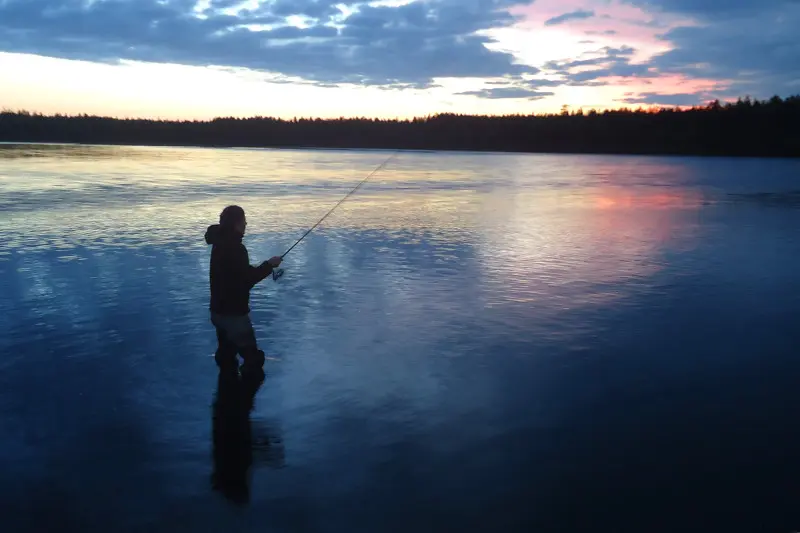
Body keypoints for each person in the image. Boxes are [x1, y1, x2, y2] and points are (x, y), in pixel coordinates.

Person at [204, 205, 282, 374]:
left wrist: (266, 266)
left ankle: (226, 394)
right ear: (236, 223)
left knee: (226, 356)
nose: (246, 223)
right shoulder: (236, 248)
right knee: (253, 361)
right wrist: (269, 265)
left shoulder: (218, 242)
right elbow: (246, 279)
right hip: (235, 316)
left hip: (217, 312)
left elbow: (238, 275)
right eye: (243, 220)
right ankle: (244, 396)